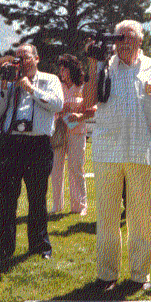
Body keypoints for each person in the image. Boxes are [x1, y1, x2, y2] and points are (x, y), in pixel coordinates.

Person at [82, 20, 151, 291]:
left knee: (141, 217)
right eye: (119, 38)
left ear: (140, 41)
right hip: (107, 153)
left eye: (130, 37)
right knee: (107, 216)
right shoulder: (104, 66)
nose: (124, 42)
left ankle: (139, 274)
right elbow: (89, 102)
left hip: (142, 152)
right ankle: (107, 273)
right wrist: (93, 64)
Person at [0, 43, 63, 260]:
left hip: (37, 145)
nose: (21, 62)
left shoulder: (50, 80)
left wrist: (30, 88)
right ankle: (4, 248)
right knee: (6, 199)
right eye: (18, 58)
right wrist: (5, 86)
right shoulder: (8, 81)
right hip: (10, 143)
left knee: (37, 199)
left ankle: (40, 247)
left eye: (25, 58)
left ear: (37, 58)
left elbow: (57, 104)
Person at [50, 54, 94, 216]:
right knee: (56, 169)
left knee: (76, 167)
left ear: (72, 69)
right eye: (60, 69)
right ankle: (57, 206)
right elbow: (53, 105)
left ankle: (80, 206)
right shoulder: (57, 86)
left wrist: (72, 108)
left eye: (65, 68)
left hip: (77, 131)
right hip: (59, 131)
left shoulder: (82, 87)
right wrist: (63, 108)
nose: (62, 72)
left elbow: (90, 107)